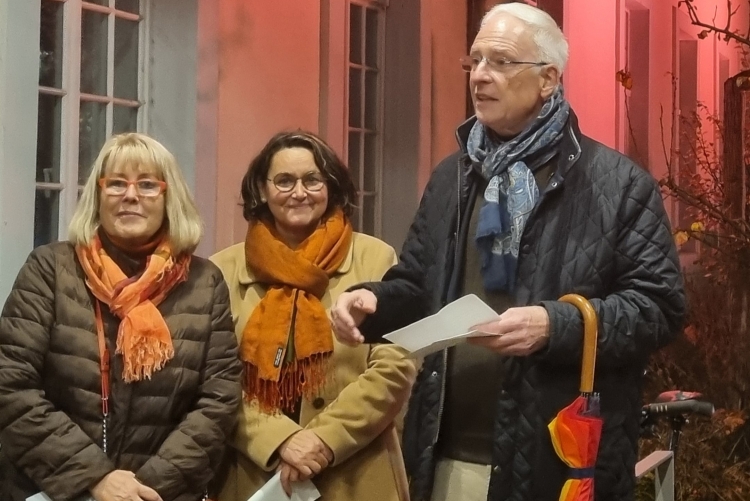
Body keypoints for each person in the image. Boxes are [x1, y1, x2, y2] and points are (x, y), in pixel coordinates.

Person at [330, 4, 686, 501]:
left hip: (555, 459)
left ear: (548, 79)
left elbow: (659, 308)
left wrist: (554, 325)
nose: (480, 76)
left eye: (500, 62)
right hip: (443, 451)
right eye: (474, 61)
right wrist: (372, 302)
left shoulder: (618, 185)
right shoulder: (452, 176)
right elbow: (416, 284)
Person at [0, 133, 242, 501]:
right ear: (98, 196)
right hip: (50, 490)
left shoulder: (204, 282)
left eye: (147, 184)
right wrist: (96, 479)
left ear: (168, 196)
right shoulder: (49, 268)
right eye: (116, 184)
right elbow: (11, 385)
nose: (131, 195)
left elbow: (218, 401)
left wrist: (143, 489)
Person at [211, 131, 416, 501]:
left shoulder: (376, 258)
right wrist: (280, 440)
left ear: (332, 186)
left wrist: (323, 439)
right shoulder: (222, 270)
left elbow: (395, 366)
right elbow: (214, 378)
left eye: (312, 180)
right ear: (261, 189)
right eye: (284, 181)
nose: (299, 192)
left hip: (356, 473)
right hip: (255, 474)